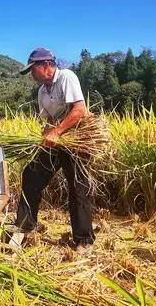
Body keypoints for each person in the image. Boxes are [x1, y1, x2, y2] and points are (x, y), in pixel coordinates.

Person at [14, 47, 95, 250]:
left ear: (46, 65)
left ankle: (84, 240)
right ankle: (26, 226)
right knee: (31, 175)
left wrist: (57, 132)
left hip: (75, 142)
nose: (31, 74)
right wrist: (45, 134)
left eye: (33, 69)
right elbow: (49, 120)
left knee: (78, 187)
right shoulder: (42, 91)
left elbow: (79, 110)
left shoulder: (66, 77)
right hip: (56, 142)